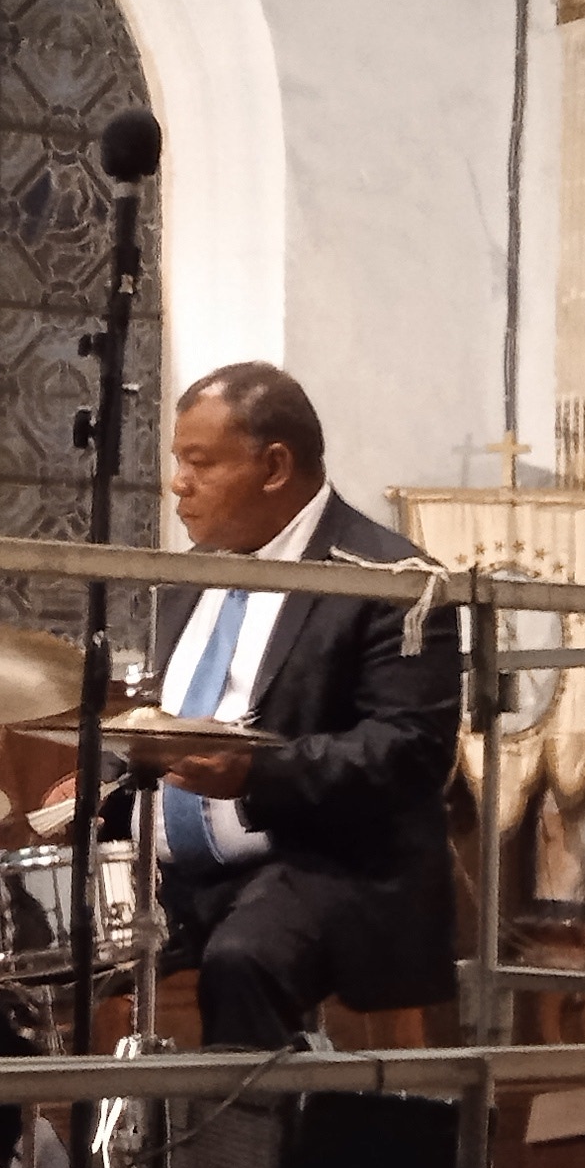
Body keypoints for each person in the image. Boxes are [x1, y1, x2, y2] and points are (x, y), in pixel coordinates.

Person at [146, 362, 461, 1048]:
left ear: (275, 466)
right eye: (178, 461)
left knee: (243, 960)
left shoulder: (390, 581)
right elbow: (159, 726)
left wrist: (256, 772)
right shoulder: (184, 579)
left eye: (200, 462)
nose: (178, 483)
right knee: (13, 951)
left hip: (328, 864)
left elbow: (410, 751)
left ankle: (248, 1125)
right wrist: (107, 780)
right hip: (173, 874)